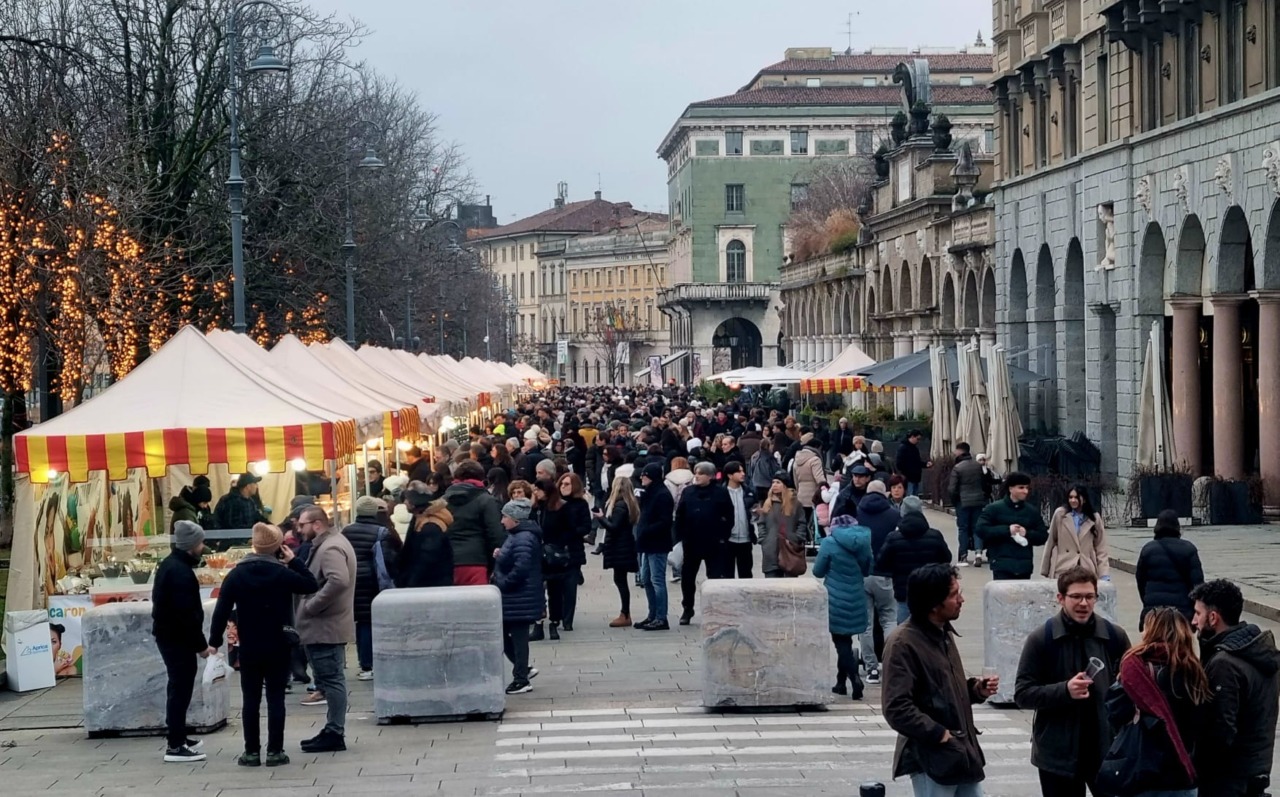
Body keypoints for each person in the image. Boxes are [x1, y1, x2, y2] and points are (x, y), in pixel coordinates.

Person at [1014, 565, 1131, 797]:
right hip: (1058, 756)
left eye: (1090, 597)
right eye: (1076, 597)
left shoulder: (1113, 636)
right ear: (1060, 598)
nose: (1084, 604)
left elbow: (1130, 689)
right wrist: (1065, 690)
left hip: (1106, 751)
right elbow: (1023, 694)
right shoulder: (1042, 639)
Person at [882, 563, 998, 796]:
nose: (962, 599)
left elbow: (944, 690)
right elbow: (896, 707)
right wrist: (940, 734)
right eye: (954, 595)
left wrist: (976, 689)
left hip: (961, 752)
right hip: (932, 756)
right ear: (934, 605)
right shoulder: (903, 643)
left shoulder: (943, 632)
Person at [208, 523, 319, 768]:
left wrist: (214, 642)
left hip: (249, 646)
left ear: (254, 545)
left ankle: (251, 752)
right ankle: (275, 751)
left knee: (251, 700)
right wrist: (294, 562)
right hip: (279, 644)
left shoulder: (236, 574)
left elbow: (221, 611)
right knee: (276, 698)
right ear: (277, 548)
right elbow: (311, 585)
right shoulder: (282, 573)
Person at [1103, 607, 1210, 797]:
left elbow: (1114, 713)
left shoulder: (1135, 669)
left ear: (1150, 631)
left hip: (1143, 772)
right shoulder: (1196, 671)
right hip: (1183, 773)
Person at [1189, 579, 1280, 797]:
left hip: (1228, 781)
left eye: (1198, 614)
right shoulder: (1255, 651)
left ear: (1213, 617)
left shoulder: (1225, 663)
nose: (1194, 621)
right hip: (1254, 770)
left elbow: (1220, 731)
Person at [151, 520, 217, 763]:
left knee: (178, 688)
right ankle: (176, 745)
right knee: (180, 690)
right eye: (200, 542)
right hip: (176, 639)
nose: (203, 546)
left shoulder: (171, 565)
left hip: (170, 636)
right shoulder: (180, 572)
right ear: (191, 544)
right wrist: (201, 646)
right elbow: (186, 615)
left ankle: (178, 734)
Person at [293, 506, 355, 753]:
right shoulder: (331, 543)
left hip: (325, 625)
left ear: (317, 524)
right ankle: (332, 729)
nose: (300, 529)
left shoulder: (330, 547)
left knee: (331, 680)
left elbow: (338, 580)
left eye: (302, 525)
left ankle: (335, 731)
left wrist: (311, 605)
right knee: (331, 679)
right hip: (327, 624)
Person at [812, 512, 871, 700]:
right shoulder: (863, 542)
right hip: (856, 595)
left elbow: (818, 571)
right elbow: (868, 567)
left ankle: (854, 679)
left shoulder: (829, 543)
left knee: (841, 643)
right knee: (846, 641)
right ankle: (840, 682)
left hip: (836, 598)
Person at [493, 498, 544, 695]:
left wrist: (503, 582)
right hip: (518, 597)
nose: (502, 521)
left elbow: (521, 567)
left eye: (505, 517)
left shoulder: (523, 537)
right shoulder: (517, 535)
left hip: (519, 596)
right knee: (506, 635)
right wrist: (501, 555)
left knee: (518, 637)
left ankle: (521, 677)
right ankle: (523, 670)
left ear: (515, 519)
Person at [673, 461, 734, 625]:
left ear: (710, 476)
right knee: (687, 578)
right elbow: (680, 515)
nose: (697, 476)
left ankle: (714, 609)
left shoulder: (720, 492)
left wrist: (723, 535)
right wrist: (679, 536)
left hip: (714, 542)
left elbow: (729, 516)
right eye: (696, 473)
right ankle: (687, 608)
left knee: (714, 578)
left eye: (701, 473)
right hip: (691, 542)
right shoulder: (688, 492)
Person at [875, 496, 952, 624]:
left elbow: (881, 563)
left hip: (903, 592)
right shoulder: (935, 535)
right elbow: (946, 559)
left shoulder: (893, 538)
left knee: (906, 632)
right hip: (930, 592)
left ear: (902, 512)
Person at [341, 496, 393, 681]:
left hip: (352, 579)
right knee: (368, 622)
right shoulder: (381, 531)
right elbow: (388, 560)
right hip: (373, 581)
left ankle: (364, 664)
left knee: (359, 622)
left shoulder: (346, 531)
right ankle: (370, 663)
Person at [857, 480, 900, 686]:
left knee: (865, 624)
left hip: (862, 574)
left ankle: (871, 668)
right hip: (886, 574)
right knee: (889, 619)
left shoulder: (858, 512)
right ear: (886, 494)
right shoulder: (893, 514)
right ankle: (891, 664)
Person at [442, 460, 507, 587]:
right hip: (476, 562)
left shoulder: (443, 501)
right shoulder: (486, 500)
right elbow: (496, 534)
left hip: (448, 562)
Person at [1135, 509, 1204, 628]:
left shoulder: (1148, 550)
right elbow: (1198, 585)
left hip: (1154, 613)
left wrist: (1148, 602)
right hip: (1181, 613)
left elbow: (1141, 581)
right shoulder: (1189, 549)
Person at [975, 471, 1048, 581]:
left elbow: (1043, 536)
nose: (1025, 491)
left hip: (1024, 566)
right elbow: (981, 529)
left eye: (1027, 488)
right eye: (1021, 488)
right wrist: (1007, 530)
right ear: (1011, 489)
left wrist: (1027, 533)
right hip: (1001, 564)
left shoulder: (1031, 511)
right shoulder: (994, 508)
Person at [634, 463, 674, 631]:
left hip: (657, 543)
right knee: (646, 579)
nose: (642, 477)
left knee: (657, 580)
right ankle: (652, 615)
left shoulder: (662, 495)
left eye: (645, 475)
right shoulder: (649, 493)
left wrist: (646, 531)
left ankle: (661, 617)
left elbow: (664, 521)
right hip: (647, 544)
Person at [1041, 485, 1110, 581]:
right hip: (1063, 567)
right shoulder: (1060, 514)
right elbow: (1051, 541)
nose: (1073, 500)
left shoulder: (1094, 518)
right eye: (1070, 497)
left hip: (1086, 568)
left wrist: (1104, 574)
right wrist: (1045, 569)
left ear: (1084, 499)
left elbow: (1101, 548)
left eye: (1076, 497)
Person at [596, 474, 639, 628]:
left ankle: (625, 613)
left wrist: (601, 518)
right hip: (624, 545)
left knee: (620, 580)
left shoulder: (620, 506)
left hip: (620, 546)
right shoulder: (629, 504)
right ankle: (624, 613)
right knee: (620, 580)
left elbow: (614, 527)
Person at [394, 487, 455, 589]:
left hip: (429, 585)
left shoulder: (430, 525)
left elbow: (427, 558)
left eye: (407, 499)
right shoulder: (420, 519)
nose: (404, 502)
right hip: (427, 583)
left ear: (413, 503)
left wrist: (411, 582)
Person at [556, 472, 593, 630]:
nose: (563, 487)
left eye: (567, 484)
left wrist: (571, 532)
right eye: (562, 484)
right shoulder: (555, 502)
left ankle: (568, 620)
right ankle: (556, 616)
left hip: (573, 549)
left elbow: (586, 526)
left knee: (570, 587)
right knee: (556, 587)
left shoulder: (580, 504)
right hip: (555, 551)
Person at [756, 474, 804, 578]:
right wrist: (764, 539)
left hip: (789, 549)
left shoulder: (795, 504)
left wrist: (796, 538)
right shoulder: (768, 503)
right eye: (773, 482)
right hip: (771, 548)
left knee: (790, 586)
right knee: (772, 584)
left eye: (778, 482)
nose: (774, 485)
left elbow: (801, 523)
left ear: (785, 485)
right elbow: (761, 523)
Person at [948, 442, 987, 567]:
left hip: (962, 502)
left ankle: (963, 556)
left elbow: (952, 489)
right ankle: (978, 553)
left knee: (963, 528)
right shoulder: (977, 466)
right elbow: (984, 484)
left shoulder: (958, 468)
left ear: (960, 452)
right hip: (978, 501)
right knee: (977, 527)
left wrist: (955, 501)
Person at [722, 461, 756, 579]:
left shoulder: (748, 492)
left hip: (746, 539)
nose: (743, 474)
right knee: (727, 574)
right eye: (739, 471)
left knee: (746, 574)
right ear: (730, 475)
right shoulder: (721, 493)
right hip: (728, 539)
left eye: (743, 471)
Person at [791, 432, 827, 529]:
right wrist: (826, 490)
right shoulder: (815, 460)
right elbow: (820, 479)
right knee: (814, 524)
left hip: (801, 495)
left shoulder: (797, 459)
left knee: (802, 522)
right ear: (817, 447)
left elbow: (795, 479)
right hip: (813, 496)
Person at [895, 430, 930, 496]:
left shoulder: (913, 448)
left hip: (914, 477)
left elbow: (916, 462)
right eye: (918, 439)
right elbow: (899, 463)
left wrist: (925, 464)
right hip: (909, 478)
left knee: (913, 496)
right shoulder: (904, 448)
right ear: (912, 437)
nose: (918, 441)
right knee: (910, 496)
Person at [748, 437, 780, 503]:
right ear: (767, 446)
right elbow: (769, 471)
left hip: (757, 483)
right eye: (771, 445)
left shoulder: (755, 456)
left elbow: (751, 469)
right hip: (767, 485)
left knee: (761, 504)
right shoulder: (768, 459)